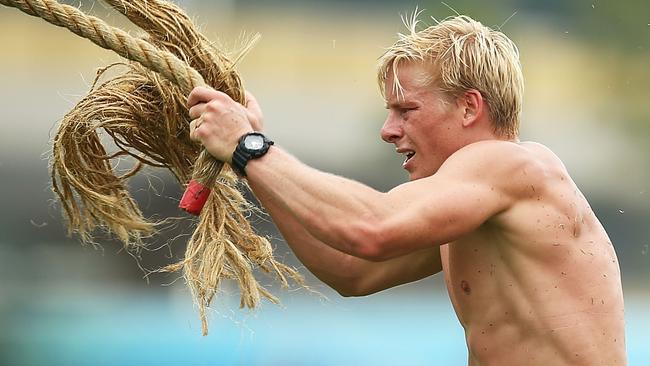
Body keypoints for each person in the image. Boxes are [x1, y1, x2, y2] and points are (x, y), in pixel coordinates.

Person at [186, 15, 627, 365]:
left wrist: (251, 147)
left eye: (406, 109)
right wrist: (252, 164)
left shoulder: (510, 163)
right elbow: (350, 270)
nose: (387, 130)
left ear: (469, 107)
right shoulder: (473, 203)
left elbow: (371, 229)